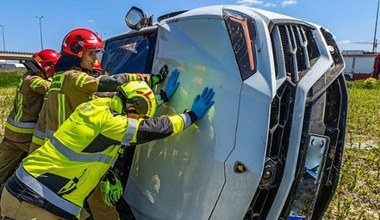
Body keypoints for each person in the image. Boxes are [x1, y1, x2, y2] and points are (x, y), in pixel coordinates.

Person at [1, 79, 215, 220]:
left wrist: (161, 98)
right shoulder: (111, 124)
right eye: (138, 114)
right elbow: (156, 128)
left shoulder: (96, 107)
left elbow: (133, 113)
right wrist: (191, 116)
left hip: (43, 193)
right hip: (33, 201)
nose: (138, 120)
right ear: (130, 108)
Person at [0, 49, 60, 186]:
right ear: (47, 66)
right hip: (25, 135)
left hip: (12, 132)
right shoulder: (34, 81)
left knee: (2, 166)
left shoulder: (26, 76)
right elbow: (55, 88)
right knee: (43, 162)